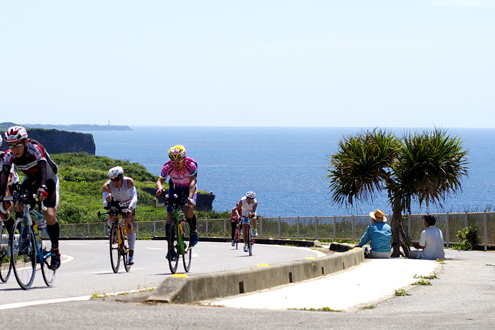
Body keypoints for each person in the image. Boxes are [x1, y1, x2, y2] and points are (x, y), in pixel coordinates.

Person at [0, 126, 61, 270]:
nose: (15, 149)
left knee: (49, 214)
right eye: (11, 145)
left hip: (48, 179)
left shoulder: (35, 148)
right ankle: (25, 239)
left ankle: (55, 250)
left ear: (26, 141)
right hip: (31, 179)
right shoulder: (9, 155)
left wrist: (43, 188)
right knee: (20, 204)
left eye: (18, 144)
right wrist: (2, 194)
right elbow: (4, 173)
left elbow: (42, 168)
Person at [156, 145, 199, 258]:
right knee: (170, 217)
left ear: (184, 159)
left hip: (188, 189)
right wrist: (160, 188)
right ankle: (170, 248)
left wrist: (190, 198)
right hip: (174, 189)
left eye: (179, 162)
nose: (176, 165)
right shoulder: (167, 167)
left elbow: (192, 183)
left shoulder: (191, 165)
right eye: (173, 162)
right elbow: (160, 180)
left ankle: (193, 231)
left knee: (187, 210)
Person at [102, 166, 137, 264]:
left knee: (129, 224)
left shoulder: (129, 182)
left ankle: (131, 254)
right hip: (115, 203)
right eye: (113, 180)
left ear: (122, 177)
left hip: (128, 204)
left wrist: (130, 208)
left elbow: (134, 197)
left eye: (117, 180)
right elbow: (104, 204)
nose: (115, 183)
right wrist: (107, 201)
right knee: (110, 215)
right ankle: (113, 231)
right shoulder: (107, 186)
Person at [0, 134, 19, 245]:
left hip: (10, 187)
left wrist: (6, 200)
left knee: (4, 212)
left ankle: (13, 240)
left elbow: (8, 180)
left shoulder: (5, 158)